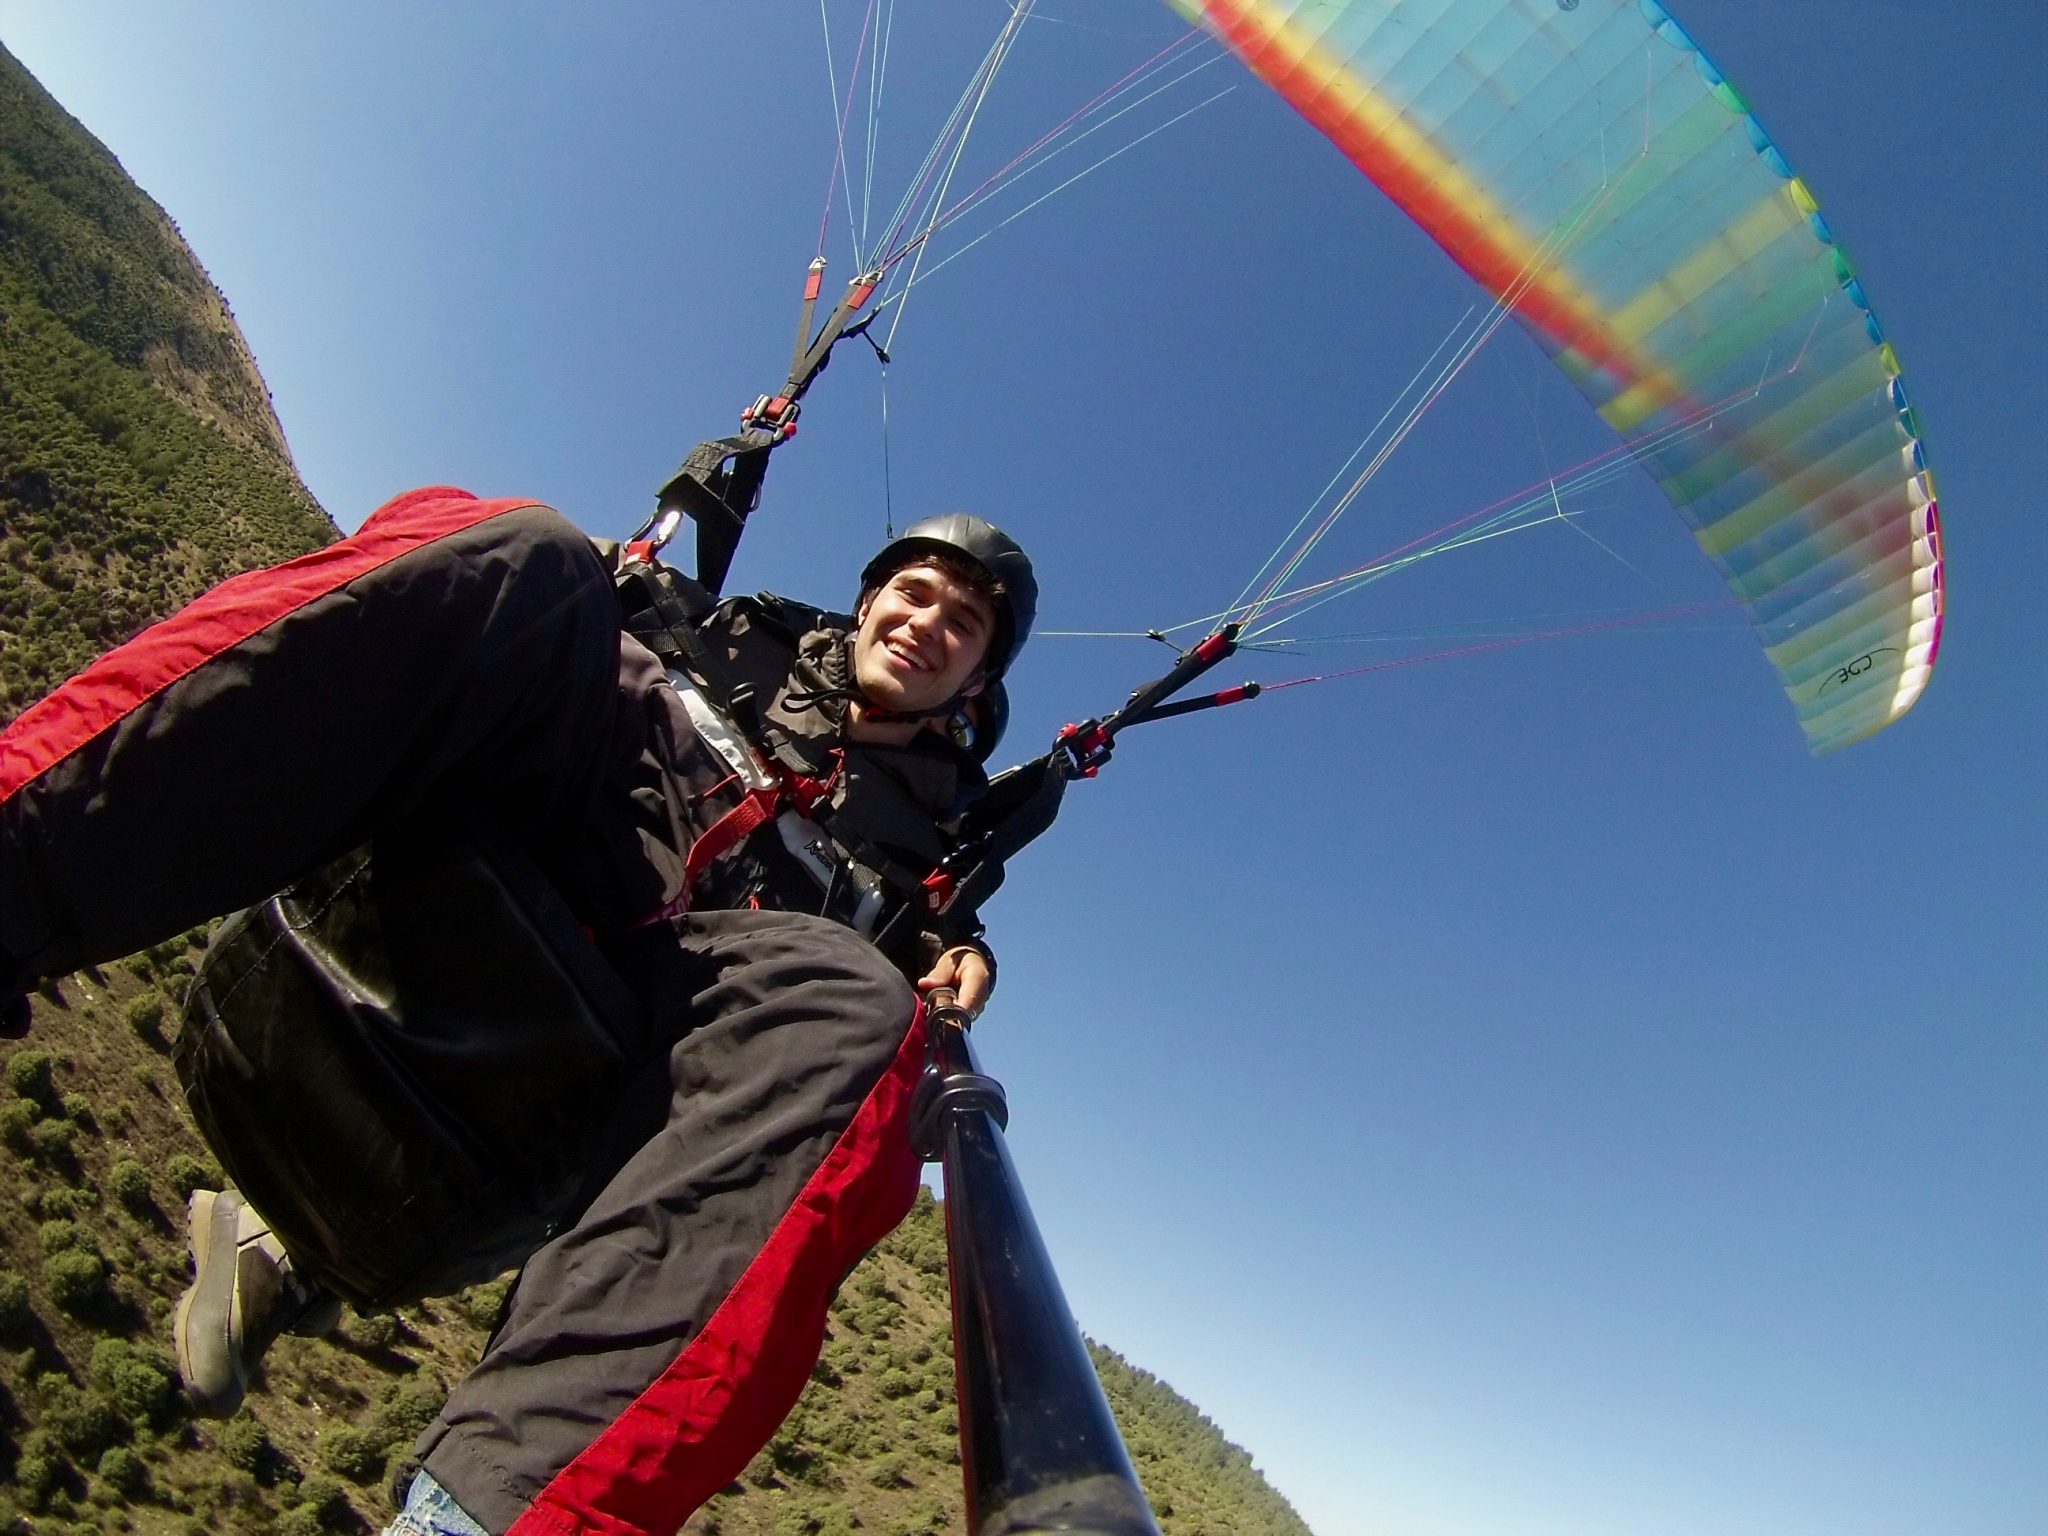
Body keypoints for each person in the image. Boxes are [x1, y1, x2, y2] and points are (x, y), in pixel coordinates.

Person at [0, 484, 1037, 1535]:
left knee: (872, 1021)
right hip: (478, 871)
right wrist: (585, 574)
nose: (926, 626)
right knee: (520, 551)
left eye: (962, 626)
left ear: (976, 679)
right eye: (913, 596)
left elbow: (886, 987)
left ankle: (489, 1516)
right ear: (864, 606)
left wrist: (951, 957)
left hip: (601, 1045)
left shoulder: (920, 861)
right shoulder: (709, 632)